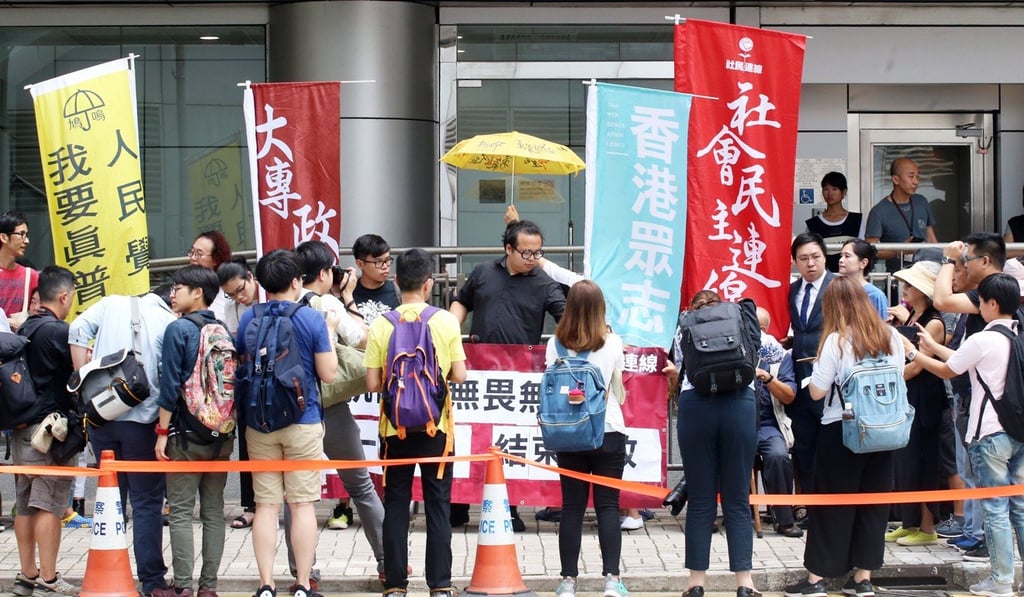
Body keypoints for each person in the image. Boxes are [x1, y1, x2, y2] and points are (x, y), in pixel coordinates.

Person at [783, 276, 904, 597]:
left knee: (832, 505)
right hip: (885, 430)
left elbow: (819, 391)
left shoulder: (837, 341)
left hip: (843, 431)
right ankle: (862, 578)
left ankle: (816, 580)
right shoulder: (891, 335)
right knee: (872, 505)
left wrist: (810, 379)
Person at [907, 273, 1024, 597]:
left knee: (996, 510)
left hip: (989, 435)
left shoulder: (983, 338)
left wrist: (914, 353)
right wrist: (932, 348)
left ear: (991, 303)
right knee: (1018, 508)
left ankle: (1001, 581)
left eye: (980, 301)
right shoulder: (1016, 335)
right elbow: (962, 361)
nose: (978, 307)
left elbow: (950, 370)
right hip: (1016, 433)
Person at [449, 218, 566, 531]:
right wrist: (446, 333)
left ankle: (510, 508)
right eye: (526, 252)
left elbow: (564, 315)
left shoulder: (544, 282)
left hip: (518, 376)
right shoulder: (484, 273)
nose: (532, 258)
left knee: (508, 441)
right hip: (475, 371)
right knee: (466, 435)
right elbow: (462, 301)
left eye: (537, 252)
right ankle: (457, 505)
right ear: (508, 249)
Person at [235, 249, 337, 597]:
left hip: (259, 421)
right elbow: (328, 373)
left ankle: (265, 585)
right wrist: (332, 333)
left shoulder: (248, 319)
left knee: (265, 506)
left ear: (261, 283)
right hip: (303, 420)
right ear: (297, 281)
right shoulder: (311, 319)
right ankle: (303, 584)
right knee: (302, 504)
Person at [365, 248, 466, 597]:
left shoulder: (381, 323)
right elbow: (460, 374)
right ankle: (439, 584)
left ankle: (395, 584)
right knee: (438, 503)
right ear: (428, 284)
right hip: (437, 428)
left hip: (395, 430)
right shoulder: (445, 321)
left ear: (395, 281)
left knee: (395, 502)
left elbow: (373, 384)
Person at [69, 285, 177, 597]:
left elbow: (76, 328)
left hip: (102, 416)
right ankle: (152, 581)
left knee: (110, 502)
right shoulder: (167, 319)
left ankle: (108, 575)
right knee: (146, 502)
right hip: (142, 423)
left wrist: (81, 379)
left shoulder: (110, 304)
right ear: (169, 297)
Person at [294, 240, 387, 578]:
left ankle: (303, 574)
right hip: (330, 407)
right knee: (360, 485)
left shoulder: (283, 303)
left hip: (291, 412)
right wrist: (348, 301)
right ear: (322, 273)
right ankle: (387, 563)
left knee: (297, 495)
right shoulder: (326, 302)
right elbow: (364, 339)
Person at [668, 290, 758, 597]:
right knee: (737, 499)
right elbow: (753, 355)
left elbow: (680, 368)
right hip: (739, 403)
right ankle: (744, 583)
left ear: (693, 310)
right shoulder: (738, 320)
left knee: (702, 499)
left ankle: (696, 582)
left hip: (696, 405)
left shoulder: (684, 325)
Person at [152, 266, 233, 597]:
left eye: (178, 287)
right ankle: (208, 587)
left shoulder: (179, 329)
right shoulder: (222, 328)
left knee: (182, 512)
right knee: (214, 512)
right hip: (221, 434)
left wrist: (161, 431)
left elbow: (170, 386)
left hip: (185, 436)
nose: (173, 294)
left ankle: (183, 586)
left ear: (197, 292)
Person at [543, 280, 628, 597]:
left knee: (572, 507)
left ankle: (568, 581)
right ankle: (611, 580)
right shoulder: (613, 341)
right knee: (608, 507)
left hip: (569, 432)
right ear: (600, 309)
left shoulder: (556, 344)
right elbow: (618, 386)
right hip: (608, 430)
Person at [11, 266, 77, 597]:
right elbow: (78, 375)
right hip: (50, 432)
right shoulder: (59, 331)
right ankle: (49, 580)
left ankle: (27, 576)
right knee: (48, 504)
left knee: (25, 504)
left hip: (22, 428)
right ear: (64, 296)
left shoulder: (27, 325)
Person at [788, 232, 836, 504]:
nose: (810, 264)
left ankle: (830, 502)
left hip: (827, 377)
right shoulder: (793, 290)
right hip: (798, 378)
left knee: (828, 443)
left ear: (825, 257)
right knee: (803, 444)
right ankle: (807, 503)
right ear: (795, 262)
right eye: (803, 259)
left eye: (815, 257)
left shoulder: (837, 286)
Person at [215, 257, 260, 530]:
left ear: (251, 276)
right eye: (231, 294)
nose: (239, 297)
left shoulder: (269, 298)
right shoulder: (232, 308)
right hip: (248, 380)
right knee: (248, 444)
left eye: (241, 289)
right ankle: (251, 505)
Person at [753, 307, 801, 538]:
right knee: (727, 455)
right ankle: (736, 516)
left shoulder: (779, 356)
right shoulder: (732, 350)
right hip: (738, 424)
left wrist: (768, 377)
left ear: (763, 330)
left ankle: (783, 519)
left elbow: (789, 395)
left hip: (768, 423)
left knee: (778, 456)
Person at [865, 157, 938, 275]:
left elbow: (931, 239)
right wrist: (899, 251)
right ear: (896, 179)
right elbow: (870, 251)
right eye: (911, 176)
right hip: (897, 277)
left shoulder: (921, 201)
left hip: (926, 273)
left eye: (917, 176)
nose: (916, 181)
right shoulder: (878, 211)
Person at [806, 172, 864, 273]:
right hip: (823, 278)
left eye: (834, 189)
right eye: (826, 189)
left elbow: (863, 249)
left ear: (844, 192)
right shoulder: (813, 224)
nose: (829, 193)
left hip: (850, 278)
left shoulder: (856, 220)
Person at [0, 211, 38, 331]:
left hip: (17, 346)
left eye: (26, 235)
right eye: (21, 234)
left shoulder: (30, 275)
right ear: (4, 237)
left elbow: (40, 312)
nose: (26, 241)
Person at [352, 234, 401, 324]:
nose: (385, 266)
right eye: (378, 262)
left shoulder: (398, 291)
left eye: (387, 260)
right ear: (360, 264)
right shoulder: (349, 294)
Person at [837, 239, 888, 319]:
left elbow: (882, 326)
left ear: (863, 263)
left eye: (847, 256)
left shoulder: (875, 295)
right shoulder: (835, 290)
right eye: (841, 256)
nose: (841, 260)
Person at [188, 230, 233, 322]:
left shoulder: (228, 292)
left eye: (199, 254)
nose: (192, 258)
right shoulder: (184, 289)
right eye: (192, 252)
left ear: (216, 259)